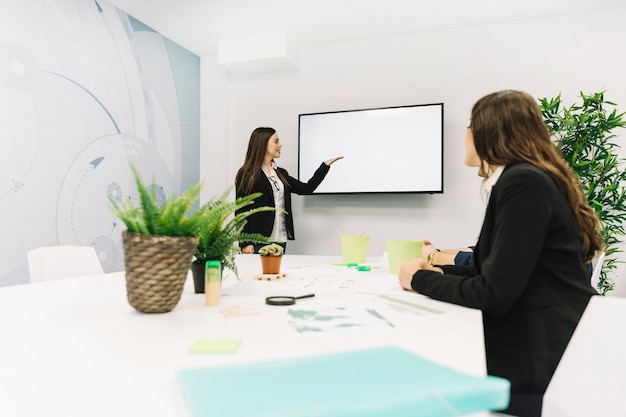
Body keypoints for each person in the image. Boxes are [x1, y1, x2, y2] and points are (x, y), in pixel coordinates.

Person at [398, 90, 602, 417]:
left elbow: (494, 293)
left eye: (469, 126)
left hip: (540, 363)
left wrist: (420, 279)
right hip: (543, 344)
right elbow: (490, 269)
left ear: (488, 131)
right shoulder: (525, 179)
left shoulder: (523, 183)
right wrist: (440, 273)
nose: (465, 135)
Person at [235, 127, 343, 254]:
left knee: (277, 274)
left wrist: (325, 166)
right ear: (263, 143)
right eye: (276, 141)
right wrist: (245, 242)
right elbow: (241, 211)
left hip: (280, 239)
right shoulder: (247, 174)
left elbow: (307, 189)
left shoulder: (281, 173)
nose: (280, 145)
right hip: (257, 242)